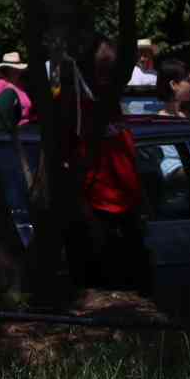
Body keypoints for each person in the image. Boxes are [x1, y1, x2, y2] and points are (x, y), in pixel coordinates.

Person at [65, 32, 148, 293]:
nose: (107, 77)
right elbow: (74, 160)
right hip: (99, 212)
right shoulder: (80, 109)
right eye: (102, 70)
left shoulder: (111, 105)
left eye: (110, 71)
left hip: (126, 209)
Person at [0, 52, 33, 125]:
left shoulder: (21, 84)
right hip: (12, 127)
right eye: (13, 68)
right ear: (7, 69)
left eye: (17, 68)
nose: (17, 71)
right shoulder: (0, 84)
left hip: (28, 125)